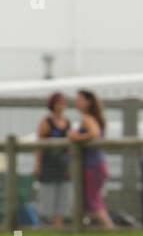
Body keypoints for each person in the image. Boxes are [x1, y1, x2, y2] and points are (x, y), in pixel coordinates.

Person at [67, 89, 113, 228]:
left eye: (80, 99)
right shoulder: (94, 118)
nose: (77, 102)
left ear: (89, 102)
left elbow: (94, 133)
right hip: (96, 165)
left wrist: (76, 137)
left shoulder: (87, 118)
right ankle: (82, 229)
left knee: (94, 203)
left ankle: (111, 229)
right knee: (89, 201)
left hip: (92, 166)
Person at [34, 91, 72, 227]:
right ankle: (43, 227)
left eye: (63, 103)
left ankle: (58, 228)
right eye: (59, 103)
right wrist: (37, 164)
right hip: (48, 165)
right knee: (46, 198)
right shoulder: (46, 122)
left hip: (63, 166)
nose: (62, 106)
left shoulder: (67, 121)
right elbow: (38, 145)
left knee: (62, 199)